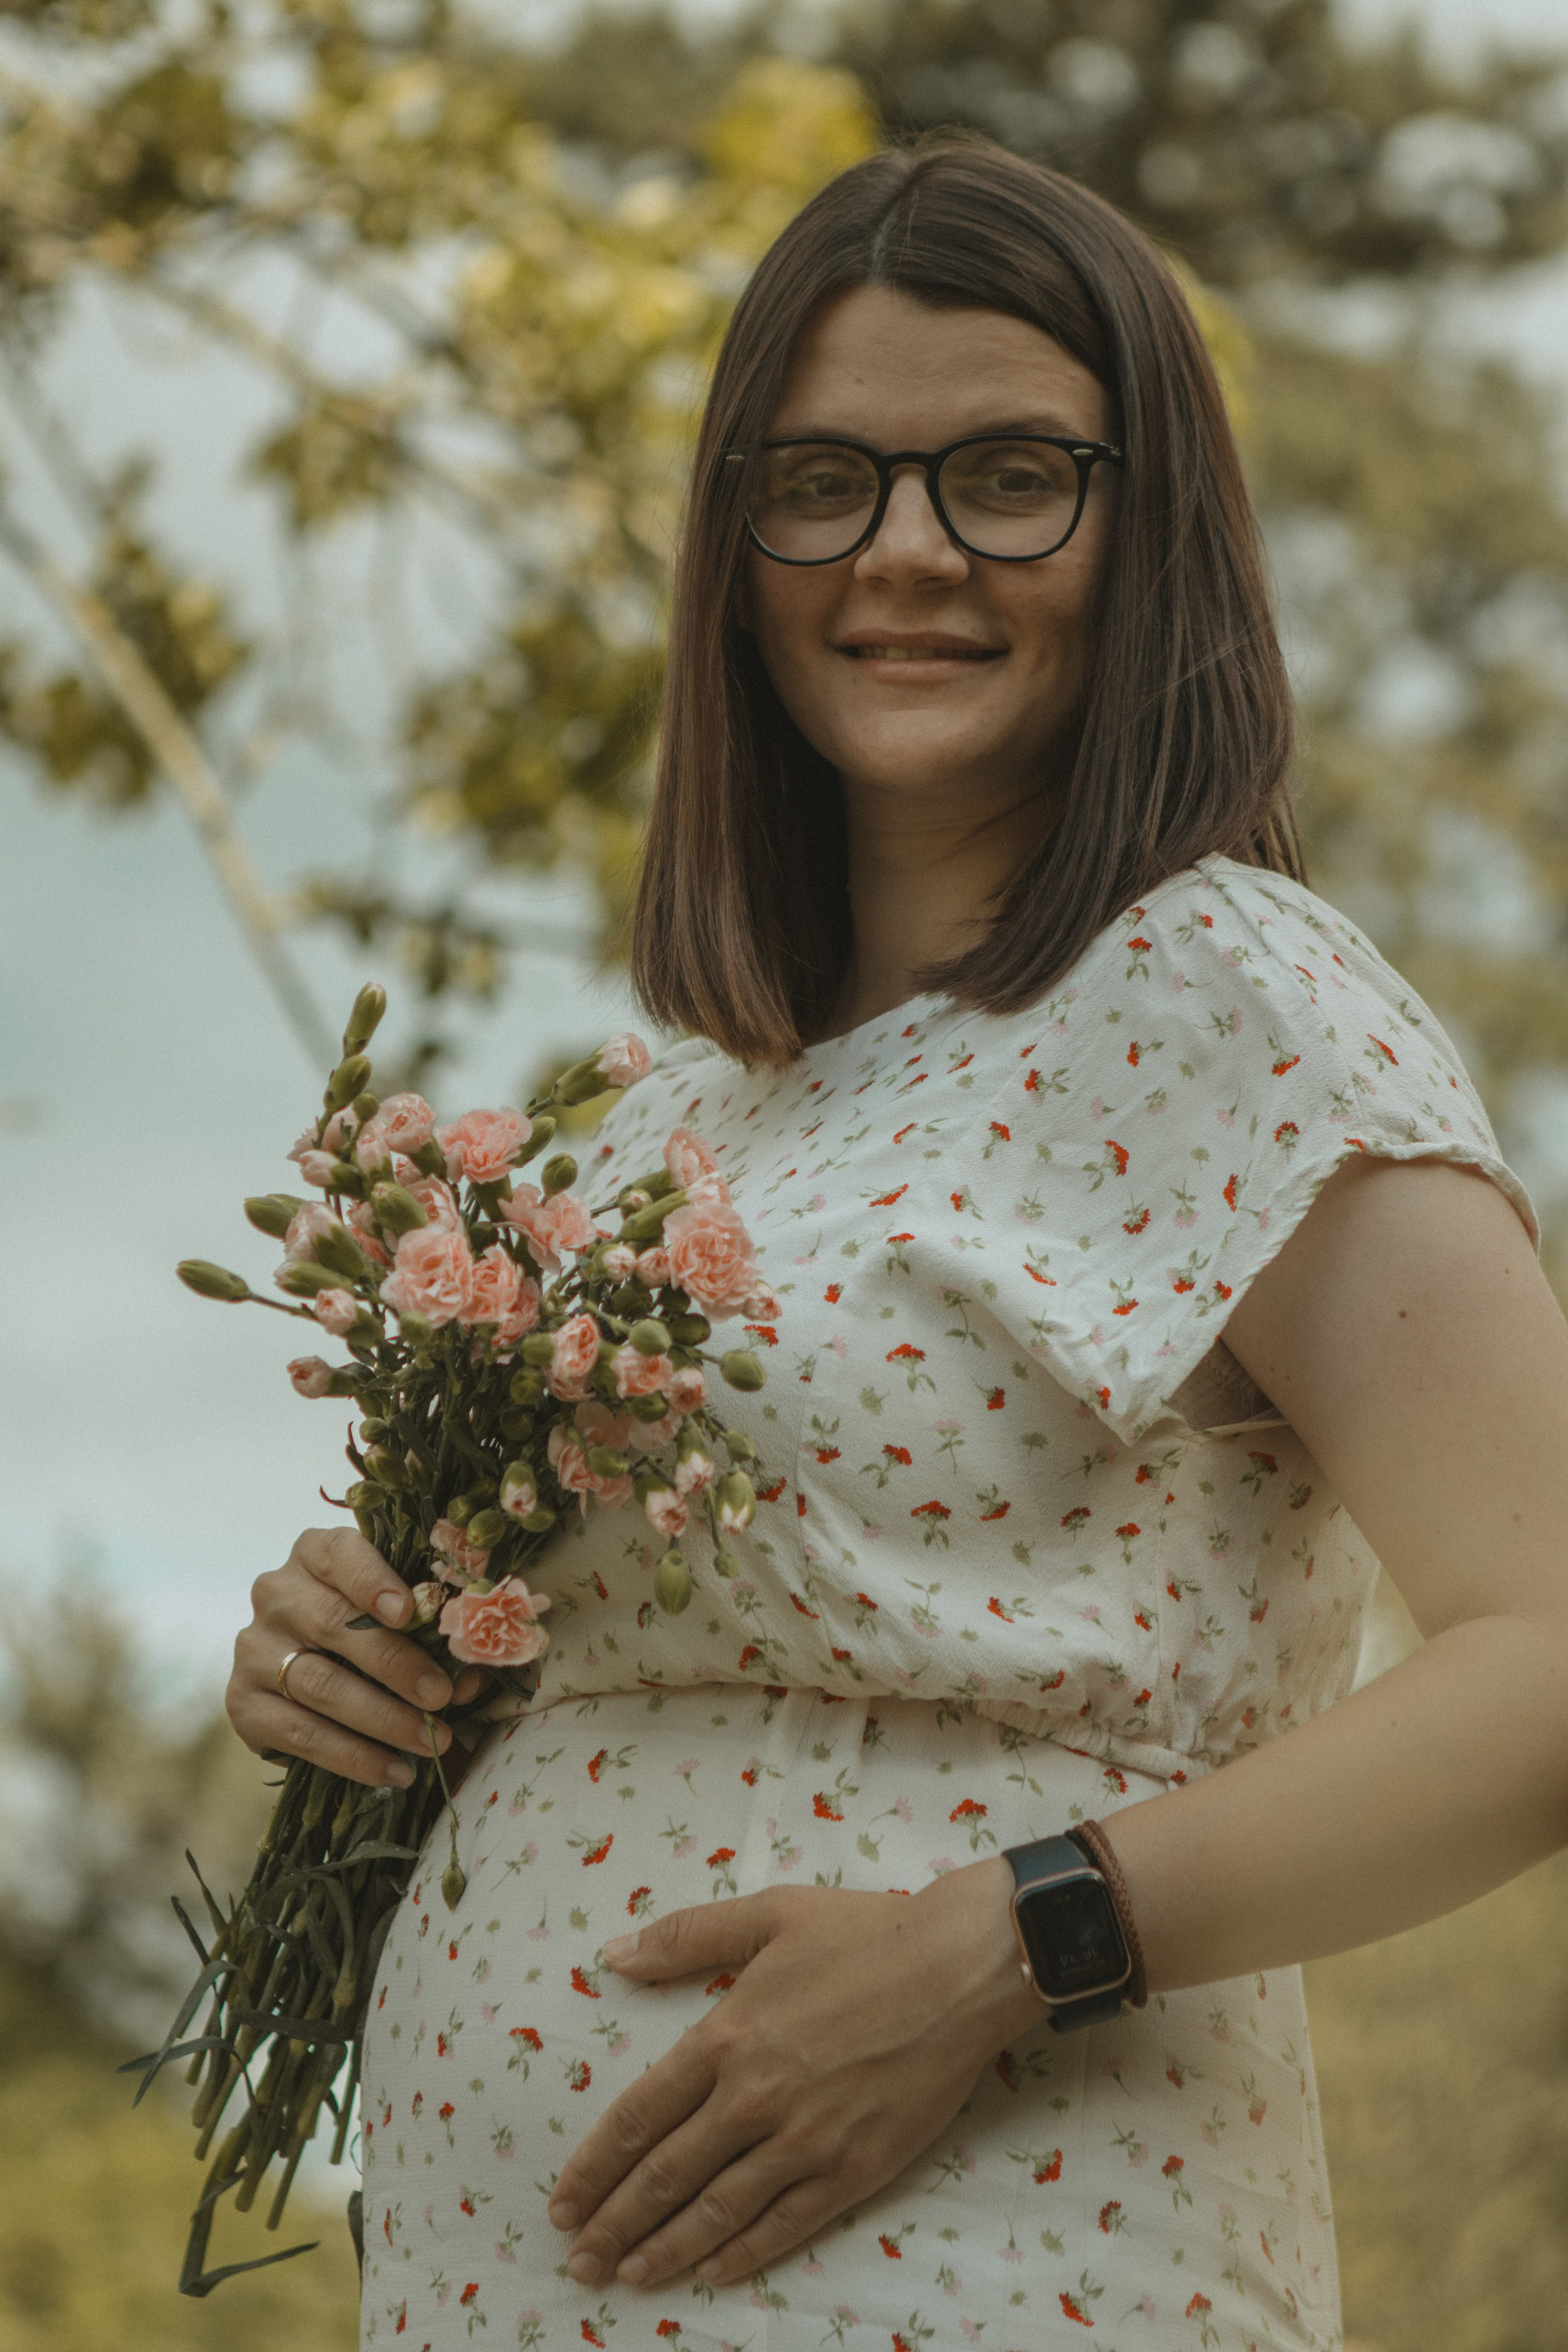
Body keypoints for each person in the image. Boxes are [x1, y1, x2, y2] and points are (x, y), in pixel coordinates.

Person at [227, 139, 1568, 2352]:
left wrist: (1012, 1940)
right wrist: (357, 1652)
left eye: (1011, 477)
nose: (910, 553)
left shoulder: (1230, 996)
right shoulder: (671, 1113)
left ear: (1153, 537)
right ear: (736, 546)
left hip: (991, 2267)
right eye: (825, 480)